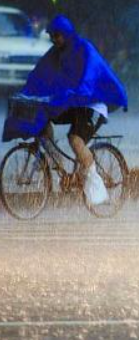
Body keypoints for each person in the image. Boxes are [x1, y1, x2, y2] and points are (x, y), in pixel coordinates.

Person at [2, 15, 128, 205]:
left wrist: (73, 93)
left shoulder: (83, 49)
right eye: (52, 36)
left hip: (91, 104)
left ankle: (97, 189)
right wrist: (26, 94)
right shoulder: (55, 54)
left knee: (75, 140)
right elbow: (38, 76)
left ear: (67, 34)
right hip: (72, 103)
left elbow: (89, 78)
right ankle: (61, 168)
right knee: (43, 123)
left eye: (58, 35)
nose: (54, 39)